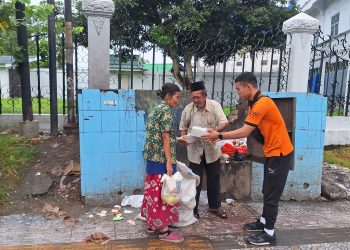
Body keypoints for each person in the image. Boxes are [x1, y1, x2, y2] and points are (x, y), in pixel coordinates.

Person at [202, 72, 294, 246]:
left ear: (248, 87)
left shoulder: (263, 103)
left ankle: (269, 234)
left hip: (280, 153)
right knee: (267, 190)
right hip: (271, 152)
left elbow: (244, 131)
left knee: (271, 194)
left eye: (238, 89)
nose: (238, 93)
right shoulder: (254, 104)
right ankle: (264, 221)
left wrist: (219, 135)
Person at [141, 83, 187, 243]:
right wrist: (169, 162)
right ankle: (164, 231)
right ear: (168, 96)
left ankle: (152, 225)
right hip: (162, 159)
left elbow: (161, 135)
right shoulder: (166, 112)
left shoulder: (155, 109)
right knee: (165, 193)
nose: (177, 101)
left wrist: (178, 139)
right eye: (176, 97)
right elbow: (165, 138)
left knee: (153, 193)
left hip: (152, 158)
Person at [179, 80, 229, 219]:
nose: (196, 100)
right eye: (193, 97)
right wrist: (184, 138)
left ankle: (215, 207)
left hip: (212, 151)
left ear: (204, 95)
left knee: (214, 179)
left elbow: (224, 122)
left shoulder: (214, 106)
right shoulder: (188, 109)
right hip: (195, 151)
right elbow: (183, 126)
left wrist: (215, 131)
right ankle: (193, 209)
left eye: (198, 97)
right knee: (195, 181)